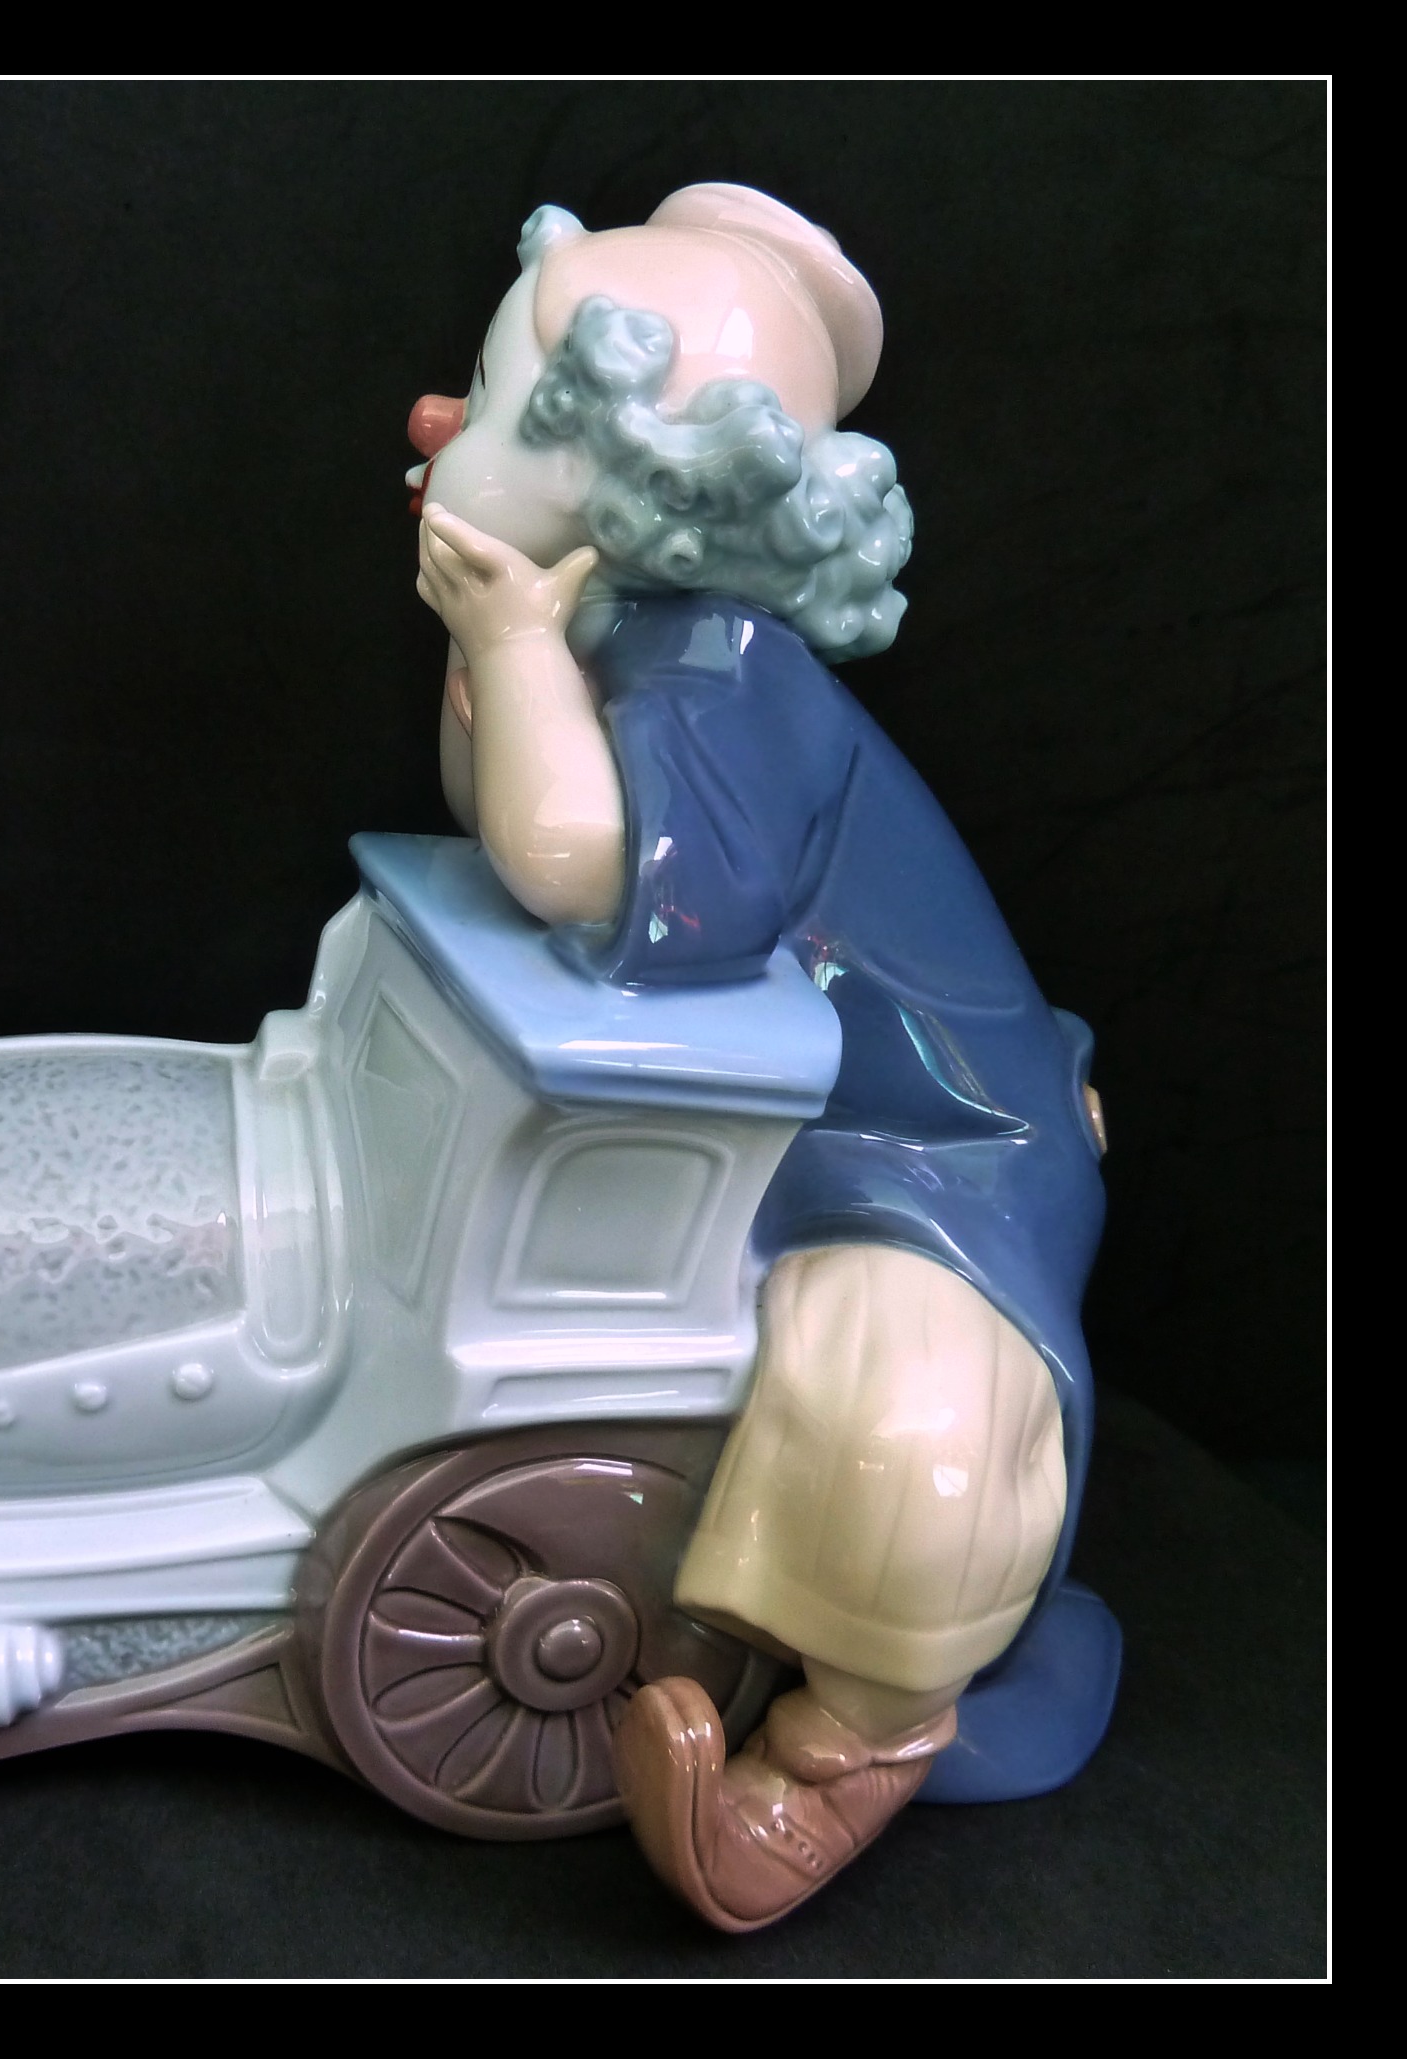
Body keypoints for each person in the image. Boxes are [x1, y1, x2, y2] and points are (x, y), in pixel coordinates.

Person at [407, 184, 1111, 1932]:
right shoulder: (627, 630)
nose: (429, 423)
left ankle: (846, 1748)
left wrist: (504, 639)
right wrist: (509, 648)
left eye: (486, 403)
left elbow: (583, 868)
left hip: (926, 1149)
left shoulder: (726, 671)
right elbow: (496, 813)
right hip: (771, 1108)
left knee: (905, 1417)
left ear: (635, 481)